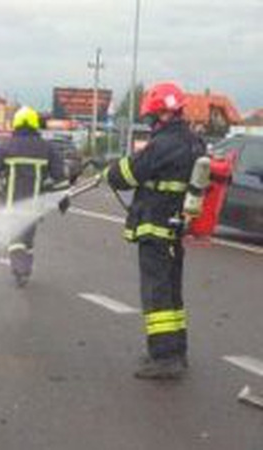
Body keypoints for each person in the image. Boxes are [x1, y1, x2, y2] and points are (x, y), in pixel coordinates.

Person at [104, 82, 205, 379]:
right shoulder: (194, 142)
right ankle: (177, 352)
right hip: (174, 230)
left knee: (157, 294)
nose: (149, 123)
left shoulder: (163, 144)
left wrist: (110, 170)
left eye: (150, 118)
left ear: (161, 114)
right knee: (172, 294)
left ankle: (163, 358)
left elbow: (126, 175)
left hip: (156, 228)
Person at [0, 106, 69, 287]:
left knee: (15, 240)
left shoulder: (6, 147)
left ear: (16, 124)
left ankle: (22, 270)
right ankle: (24, 270)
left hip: (12, 205)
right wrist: (63, 200)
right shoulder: (47, 148)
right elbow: (60, 178)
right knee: (27, 238)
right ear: (35, 124)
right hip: (35, 206)